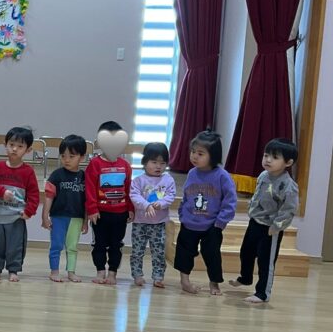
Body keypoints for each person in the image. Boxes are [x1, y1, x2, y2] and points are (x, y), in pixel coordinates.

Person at [230, 138, 300, 304]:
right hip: (255, 222)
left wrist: (276, 226)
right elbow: (257, 196)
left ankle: (262, 293)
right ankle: (245, 277)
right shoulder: (263, 175)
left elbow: (288, 210)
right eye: (266, 155)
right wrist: (251, 210)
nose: (268, 160)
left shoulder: (289, 186)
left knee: (265, 261)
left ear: (288, 162)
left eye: (275, 157)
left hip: (270, 229)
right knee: (246, 252)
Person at [175, 130, 237, 295]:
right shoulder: (192, 173)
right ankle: (184, 281)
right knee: (184, 253)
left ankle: (214, 283)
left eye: (200, 153)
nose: (194, 156)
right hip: (189, 223)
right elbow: (186, 195)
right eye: (193, 151)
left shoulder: (222, 176)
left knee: (212, 255)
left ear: (213, 155)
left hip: (212, 226)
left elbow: (230, 201)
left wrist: (220, 222)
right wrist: (182, 214)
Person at [0, 126, 39, 283]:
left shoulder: (28, 172)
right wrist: (1, 192)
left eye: (20, 146)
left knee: (15, 246)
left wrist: (29, 211)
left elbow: (34, 195)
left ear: (28, 150)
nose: (15, 149)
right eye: (11, 145)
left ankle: (13, 270)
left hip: (16, 218)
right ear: (5, 145)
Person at [85, 120, 134, 285]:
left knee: (116, 245)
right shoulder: (95, 164)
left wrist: (130, 208)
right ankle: (100, 271)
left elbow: (129, 188)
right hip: (100, 214)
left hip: (120, 214)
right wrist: (92, 209)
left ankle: (113, 272)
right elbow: (90, 188)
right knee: (99, 244)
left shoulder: (125, 165)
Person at [129, 142, 176, 288]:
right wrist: (146, 205)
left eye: (162, 163)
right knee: (137, 251)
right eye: (154, 162)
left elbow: (171, 196)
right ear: (145, 162)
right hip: (140, 223)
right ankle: (137, 275)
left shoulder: (168, 180)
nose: (158, 166)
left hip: (159, 224)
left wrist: (161, 203)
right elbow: (134, 196)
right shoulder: (138, 180)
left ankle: (158, 277)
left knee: (159, 252)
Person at [42, 135, 88, 283]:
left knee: (72, 247)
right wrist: (45, 216)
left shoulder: (85, 177)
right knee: (56, 245)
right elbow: (48, 197)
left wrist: (85, 221)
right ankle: (54, 271)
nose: (66, 160)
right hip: (58, 216)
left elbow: (87, 202)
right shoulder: (56, 175)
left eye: (71, 156)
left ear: (82, 157)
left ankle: (71, 272)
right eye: (63, 156)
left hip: (77, 218)